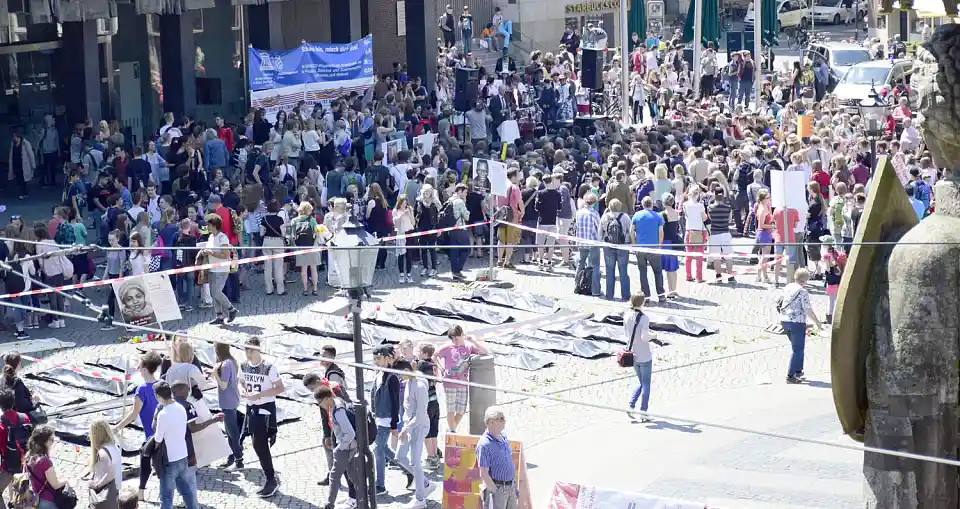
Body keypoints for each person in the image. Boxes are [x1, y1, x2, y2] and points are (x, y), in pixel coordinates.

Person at [114, 351, 162, 501]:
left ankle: (141, 493)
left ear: (145, 369)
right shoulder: (161, 384)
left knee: (146, 461)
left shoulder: (142, 389)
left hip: (151, 433)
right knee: (160, 462)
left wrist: (117, 426)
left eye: (140, 366)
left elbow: (134, 414)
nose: (138, 368)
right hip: (163, 430)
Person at [239, 337, 283, 497]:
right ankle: (270, 477)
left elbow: (279, 388)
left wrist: (260, 394)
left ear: (257, 349)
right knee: (256, 443)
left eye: (249, 350)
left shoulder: (269, 367)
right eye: (245, 350)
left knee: (260, 443)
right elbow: (241, 381)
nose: (247, 353)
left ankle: (271, 479)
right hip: (251, 407)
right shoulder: (243, 365)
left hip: (264, 409)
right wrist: (243, 390)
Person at [392, 359, 438, 508]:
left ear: (405, 371)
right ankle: (425, 483)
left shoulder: (419, 385)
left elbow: (420, 413)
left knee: (415, 461)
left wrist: (407, 427)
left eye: (400, 375)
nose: (399, 378)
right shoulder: (409, 382)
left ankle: (420, 499)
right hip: (409, 425)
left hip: (418, 427)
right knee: (400, 456)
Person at [152, 381, 199, 509]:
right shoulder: (181, 407)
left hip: (170, 460)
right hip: (183, 455)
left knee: (166, 496)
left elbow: (158, 438)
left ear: (158, 396)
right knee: (186, 491)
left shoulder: (163, 414)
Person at [315, 385, 362, 509]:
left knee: (334, 476)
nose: (319, 405)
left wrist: (340, 447)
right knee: (352, 474)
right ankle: (361, 498)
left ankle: (330, 504)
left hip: (346, 448)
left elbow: (350, 433)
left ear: (326, 398)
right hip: (351, 446)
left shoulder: (337, 410)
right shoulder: (338, 402)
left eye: (319, 402)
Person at [436, 325, 488, 433]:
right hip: (450, 381)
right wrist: (441, 368)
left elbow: (484, 351)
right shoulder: (447, 347)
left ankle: (451, 428)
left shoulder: (469, 346)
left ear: (462, 335)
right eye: (452, 339)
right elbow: (434, 356)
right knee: (451, 408)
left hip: (463, 382)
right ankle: (452, 430)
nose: (454, 341)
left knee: (461, 410)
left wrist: (473, 341)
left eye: (456, 338)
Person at [778, 268, 822, 384]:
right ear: (806, 279)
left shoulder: (788, 286)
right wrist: (817, 322)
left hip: (784, 321)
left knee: (798, 347)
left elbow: (780, 301)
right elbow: (808, 309)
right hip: (796, 323)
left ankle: (798, 371)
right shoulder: (803, 292)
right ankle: (790, 376)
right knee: (797, 349)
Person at [370, 345, 400, 495]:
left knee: (377, 449)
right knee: (383, 449)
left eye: (379, 358)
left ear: (388, 358)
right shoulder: (379, 374)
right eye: (375, 359)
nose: (376, 361)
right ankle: (408, 469)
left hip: (387, 419)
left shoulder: (392, 377)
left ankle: (380, 485)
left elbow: (396, 403)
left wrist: (394, 424)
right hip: (378, 418)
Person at [197, 215, 238, 325]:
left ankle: (231, 309)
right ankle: (219, 316)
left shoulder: (222, 237)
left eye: (209, 225)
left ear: (214, 225)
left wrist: (211, 253)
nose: (207, 227)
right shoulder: (210, 237)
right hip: (212, 268)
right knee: (213, 293)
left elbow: (225, 254)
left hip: (222, 269)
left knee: (216, 292)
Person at [476, 406, 517, 509]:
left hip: (510, 486)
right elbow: (484, 473)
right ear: (491, 422)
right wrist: (495, 491)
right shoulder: (484, 445)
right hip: (498, 488)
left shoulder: (503, 436)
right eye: (501, 419)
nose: (504, 421)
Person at [211, 342, 242, 469]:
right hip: (231, 400)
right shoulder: (231, 362)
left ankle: (239, 459)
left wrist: (215, 373)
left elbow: (223, 385)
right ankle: (232, 457)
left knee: (232, 433)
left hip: (228, 402)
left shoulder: (226, 364)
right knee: (230, 432)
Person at [624, 293, 653, 422]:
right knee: (646, 384)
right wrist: (654, 336)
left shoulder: (626, 315)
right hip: (644, 354)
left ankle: (631, 406)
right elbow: (644, 337)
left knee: (640, 381)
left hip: (633, 353)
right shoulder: (644, 318)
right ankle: (644, 412)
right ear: (642, 303)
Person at [24, 425, 67, 509]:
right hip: (46, 501)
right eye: (52, 439)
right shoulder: (44, 461)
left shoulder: (29, 455)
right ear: (45, 442)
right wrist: (66, 481)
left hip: (34, 498)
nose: (53, 442)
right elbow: (55, 484)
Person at [631, 196, 664, 302]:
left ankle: (646, 296)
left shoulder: (637, 215)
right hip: (653, 248)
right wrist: (659, 245)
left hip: (640, 248)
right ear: (652, 204)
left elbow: (631, 231)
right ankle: (661, 294)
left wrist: (634, 244)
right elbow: (661, 233)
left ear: (642, 204)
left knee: (642, 272)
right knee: (658, 271)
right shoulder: (658, 216)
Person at [600, 198, 631, 301]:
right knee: (623, 271)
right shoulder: (625, 217)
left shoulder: (604, 217)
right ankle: (625, 295)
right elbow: (630, 231)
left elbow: (600, 233)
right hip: (623, 247)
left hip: (608, 247)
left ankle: (609, 295)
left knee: (609, 271)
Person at [87, 419, 121, 509]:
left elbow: (111, 472)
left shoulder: (103, 452)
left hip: (103, 495)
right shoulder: (114, 446)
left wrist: (97, 485)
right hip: (114, 492)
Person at [291, 202, 321, 295]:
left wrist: (295, 246)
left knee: (303, 270)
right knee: (313, 268)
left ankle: (305, 289)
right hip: (312, 247)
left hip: (301, 248)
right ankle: (315, 289)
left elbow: (292, 235)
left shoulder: (294, 221)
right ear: (308, 210)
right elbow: (317, 233)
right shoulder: (312, 220)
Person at [574, 193, 602, 296]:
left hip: (581, 242)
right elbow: (599, 228)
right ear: (594, 203)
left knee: (580, 264)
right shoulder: (594, 214)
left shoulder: (578, 213)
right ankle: (595, 290)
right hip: (593, 242)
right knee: (595, 266)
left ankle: (577, 286)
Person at [707, 187, 735, 282]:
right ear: (723, 195)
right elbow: (730, 220)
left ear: (714, 195)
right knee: (728, 255)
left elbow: (710, 220)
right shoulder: (728, 208)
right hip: (725, 233)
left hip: (714, 234)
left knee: (716, 257)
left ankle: (718, 276)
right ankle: (730, 275)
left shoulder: (710, 208)